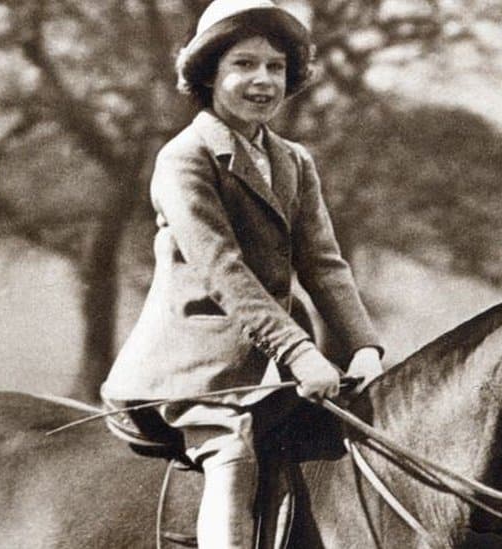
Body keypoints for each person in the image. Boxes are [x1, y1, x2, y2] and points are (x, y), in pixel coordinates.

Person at [100, 1, 383, 547]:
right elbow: (223, 270)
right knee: (231, 455)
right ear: (209, 74)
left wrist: (363, 346)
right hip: (193, 367)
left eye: (276, 67)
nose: (263, 80)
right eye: (244, 64)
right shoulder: (184, 158)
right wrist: (301, 352)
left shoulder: (294, 160)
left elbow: (323, 262)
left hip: (273, 365)